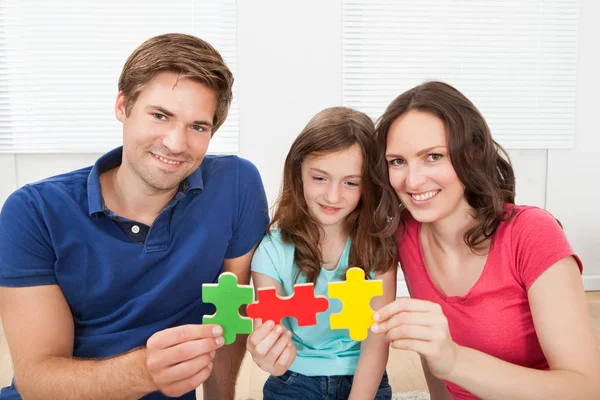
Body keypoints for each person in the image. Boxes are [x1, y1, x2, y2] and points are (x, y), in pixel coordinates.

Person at [0, 33, 269, 400]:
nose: (175, 143)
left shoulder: (236, 185)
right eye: (160, 116)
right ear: (122, 106)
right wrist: (144, 372)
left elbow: (228, 318)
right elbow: (37, 379)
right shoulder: (33, 211)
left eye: (197, 127)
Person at [370, 81, 600, 399]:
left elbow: (586, 389)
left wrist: (454, 361)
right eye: (397, 161)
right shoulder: (405, 233)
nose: (412, 180)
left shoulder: (532, 233)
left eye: (433, 157)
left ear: (473, 153)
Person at [246, 107, 397, 400]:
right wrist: (267, 354)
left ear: (369, 185)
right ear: (298, 172)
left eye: (351, 183)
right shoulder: (272, 250)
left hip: (365, 378)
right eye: (320, 178)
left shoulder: (379, 246)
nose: (332, 196)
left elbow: (376, 345)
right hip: (293, 379)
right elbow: (268, 331)